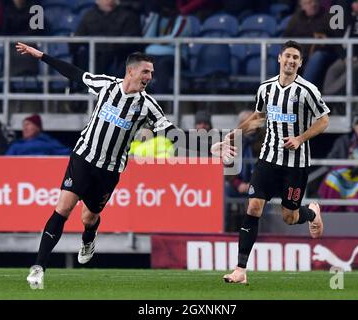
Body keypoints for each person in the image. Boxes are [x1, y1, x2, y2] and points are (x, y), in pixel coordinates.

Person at [15, 42, 212, 289]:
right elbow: (75, 73)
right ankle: (38, 268)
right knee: (63, 208)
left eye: (151, 73)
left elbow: (172, 133)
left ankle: (89, 237)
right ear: (131, 71)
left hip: (109, 170)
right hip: (83, 157)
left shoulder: (147, 105)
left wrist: (208, 147)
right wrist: (42, 56)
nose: (150, 77)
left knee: (89, 217)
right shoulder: (106, 85)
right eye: (146, 72)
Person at [211, 40, 330, 284]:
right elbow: (257, 117)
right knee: (253, 207)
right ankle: (240, 270)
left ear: (300, 63)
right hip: (268, 159)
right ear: (279, 58)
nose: (291, 61)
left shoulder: (307, 91)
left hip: (296, 164)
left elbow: (324, 121)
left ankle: (311, 212)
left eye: (296, 57)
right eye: (287, 56)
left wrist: (300, 138)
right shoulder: (266, 88)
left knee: (289, 216)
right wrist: (231, 136)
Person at [5, 114, 71, 156]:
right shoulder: (16, 145)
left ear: (37, 127)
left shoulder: (48, 143)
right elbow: (5, 162)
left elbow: (68, 154)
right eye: (23, 125)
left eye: (28, 124)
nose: (25, 128)